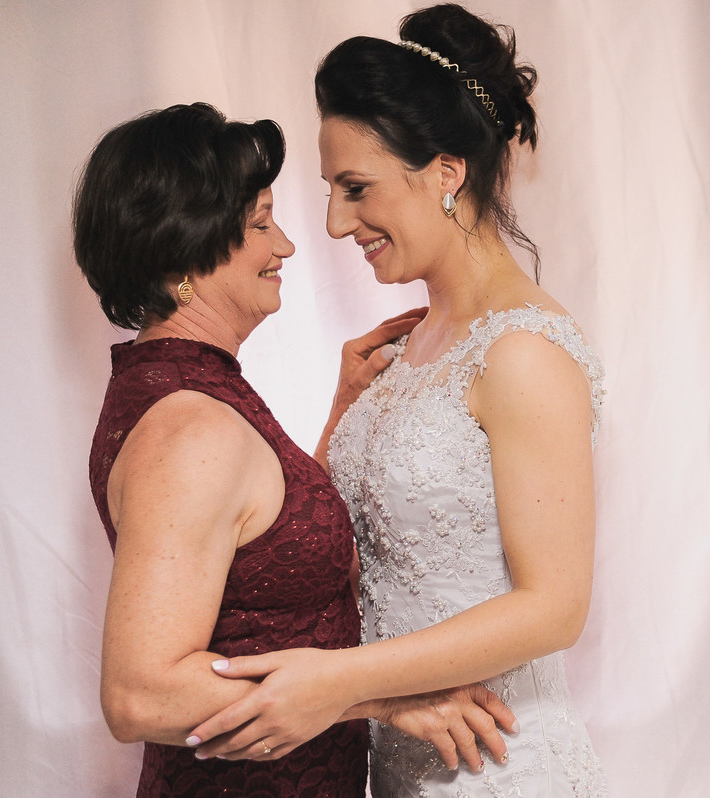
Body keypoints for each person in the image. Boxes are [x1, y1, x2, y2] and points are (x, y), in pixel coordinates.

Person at [188, 5, 608, 795]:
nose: (334, 223)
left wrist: (340, 682)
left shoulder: (524, 350)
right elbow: (333, 547)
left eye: (356, 189)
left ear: (446, 172)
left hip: (500, 766)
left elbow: (554, 606)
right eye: (331, 191)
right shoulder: (409, 345)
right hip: (401, 764)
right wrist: (343, 409)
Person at [74, 101, 516, 797]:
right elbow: (141, 696)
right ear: (181, 256)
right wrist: (384, 698)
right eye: (259, 225)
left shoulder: (184, 385)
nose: (283, 246)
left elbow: (263, 544)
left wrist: (343, 407)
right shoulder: (190, 429)